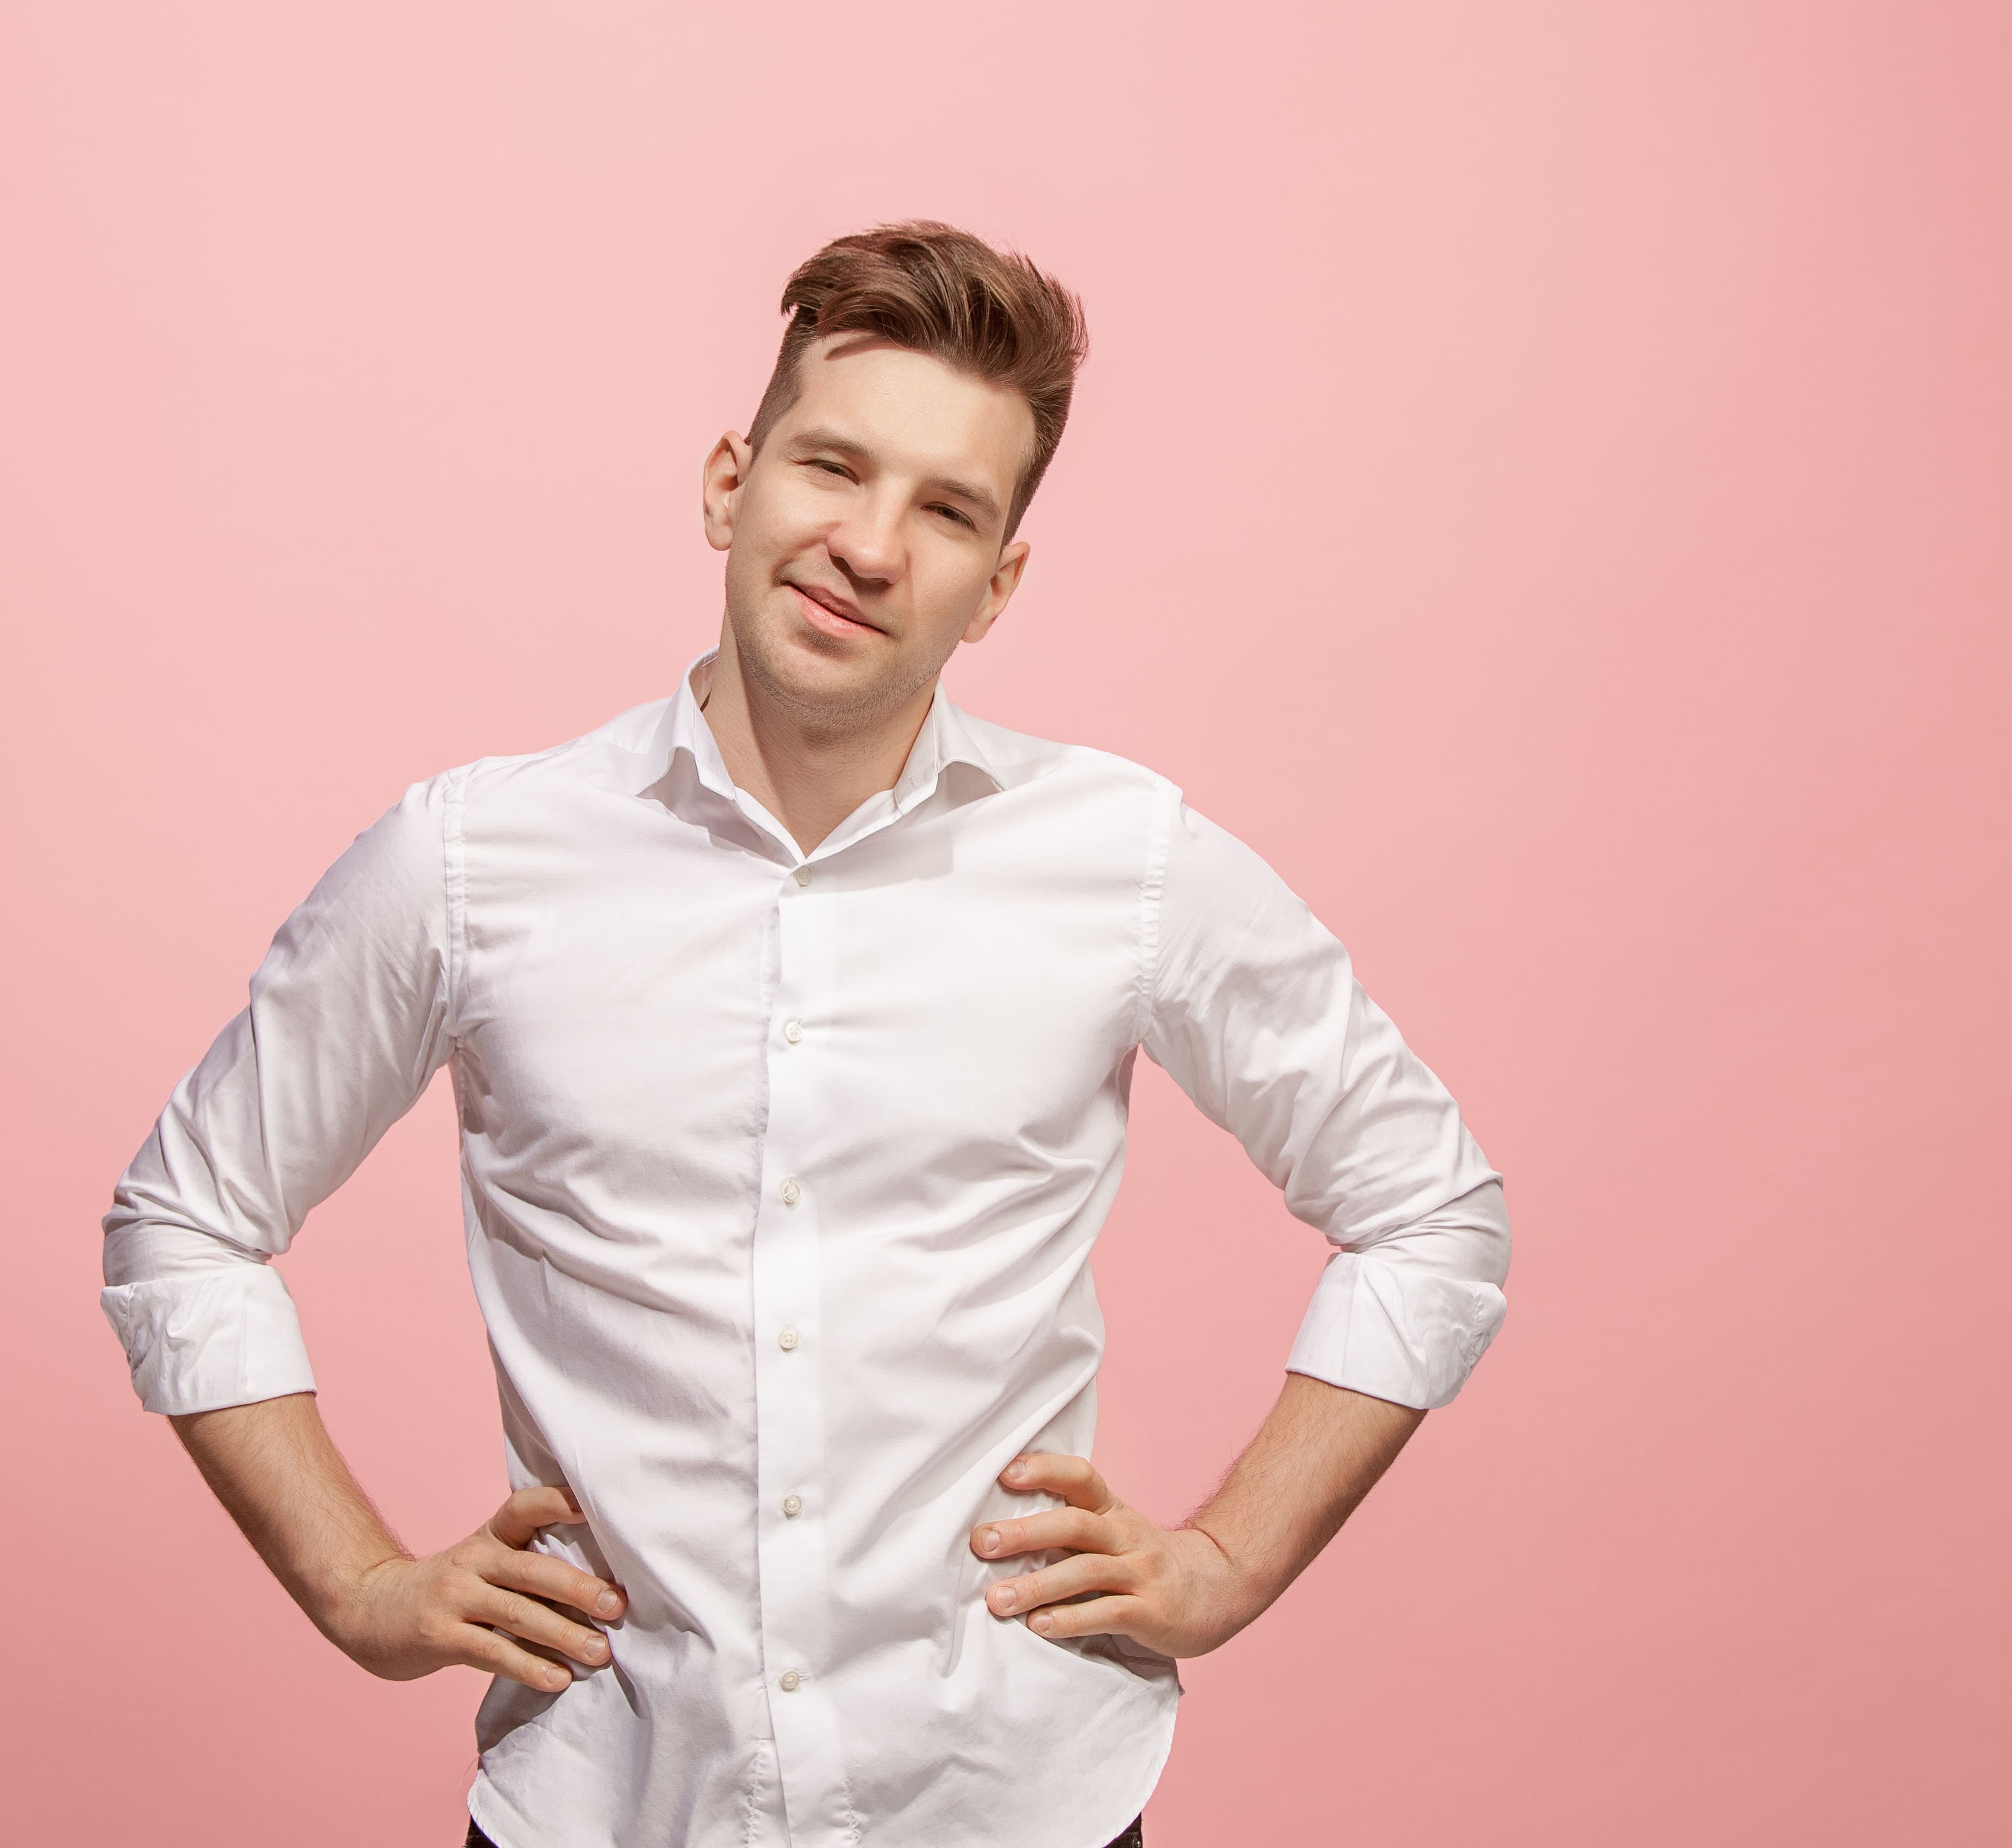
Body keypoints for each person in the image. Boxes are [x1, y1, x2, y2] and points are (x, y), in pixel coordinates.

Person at [101, 221, 1511, 1848]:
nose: (870, 543)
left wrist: (1233, 1556)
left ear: (1001, 583)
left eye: (948, 509)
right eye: (832, 467)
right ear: (728, 481)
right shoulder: (472, 861)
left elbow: (1432, 1208)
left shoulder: (1124, 861)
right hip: (606, 1801)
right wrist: (354, 1583)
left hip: (1019, 1801)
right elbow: (184, 1222)